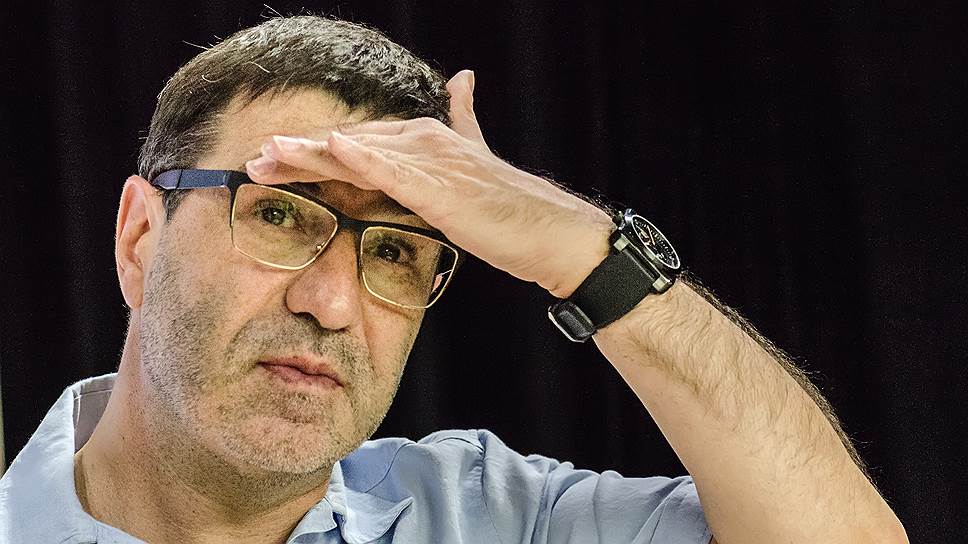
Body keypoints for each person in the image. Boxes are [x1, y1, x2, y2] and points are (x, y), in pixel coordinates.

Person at [0, 15, 907, 544]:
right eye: (278, 215)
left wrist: (588, 253)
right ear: (138, 239)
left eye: (395, 251)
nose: (332, 304)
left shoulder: (495, 519)